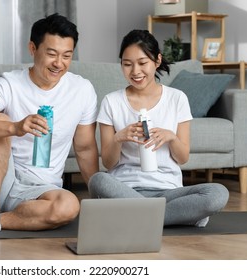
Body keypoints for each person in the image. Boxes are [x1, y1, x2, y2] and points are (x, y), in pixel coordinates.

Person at [0, 13, 99, 240]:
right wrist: (16, 127)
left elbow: (85, 148)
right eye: (51, 54)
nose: (58, 63)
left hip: (42, 188)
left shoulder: (82, 90)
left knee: (69, 206)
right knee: (0, 121)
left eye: (66, 56)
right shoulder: (9, 84)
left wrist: (97, 197)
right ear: (33, 49)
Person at [88, 29, 229, 227]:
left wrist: (171, 137)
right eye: (127, 64)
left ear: (157, 60)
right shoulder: (111, 102)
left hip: (168, 191)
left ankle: (139, 217)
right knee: (98, 181)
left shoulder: (176, 98)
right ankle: (173, 216)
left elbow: (183, 158)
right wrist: (119, 138)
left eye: (142, 63)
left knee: (217, 194)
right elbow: (109, 164)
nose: (135, 71)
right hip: (125, 188)